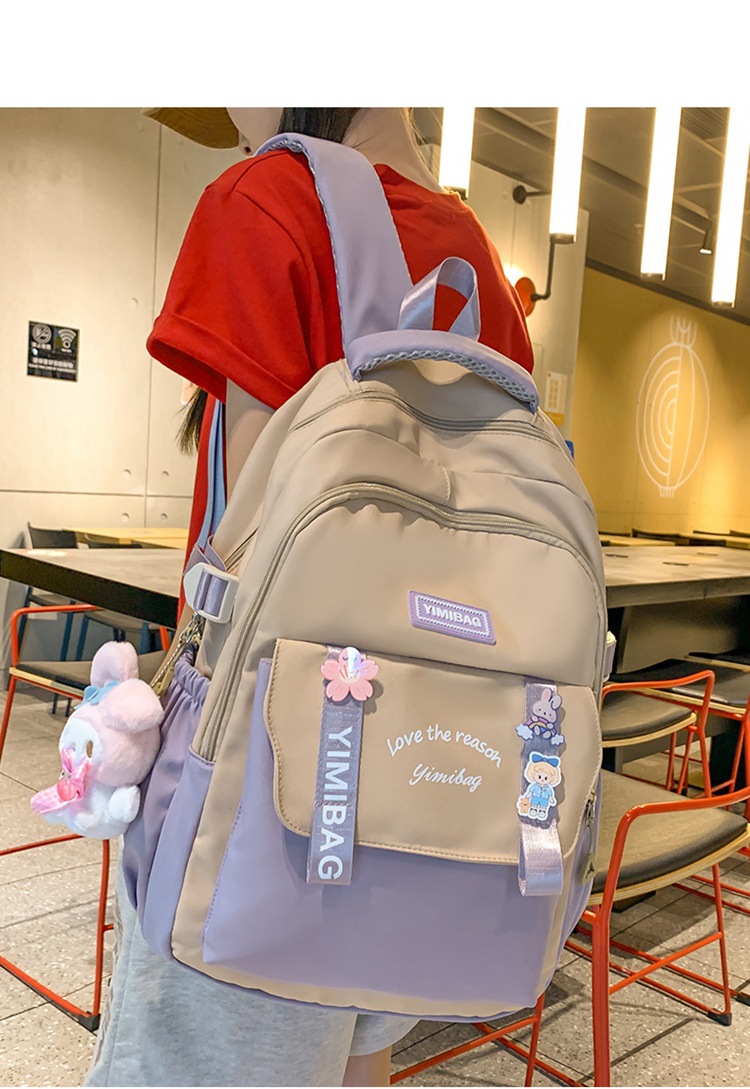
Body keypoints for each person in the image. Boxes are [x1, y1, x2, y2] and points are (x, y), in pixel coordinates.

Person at [85, 106, 534, 1088]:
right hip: (430, 792)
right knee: (355, 1064)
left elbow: (262, 556)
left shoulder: (269, 200)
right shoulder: (476, 263)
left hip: (278, 790)